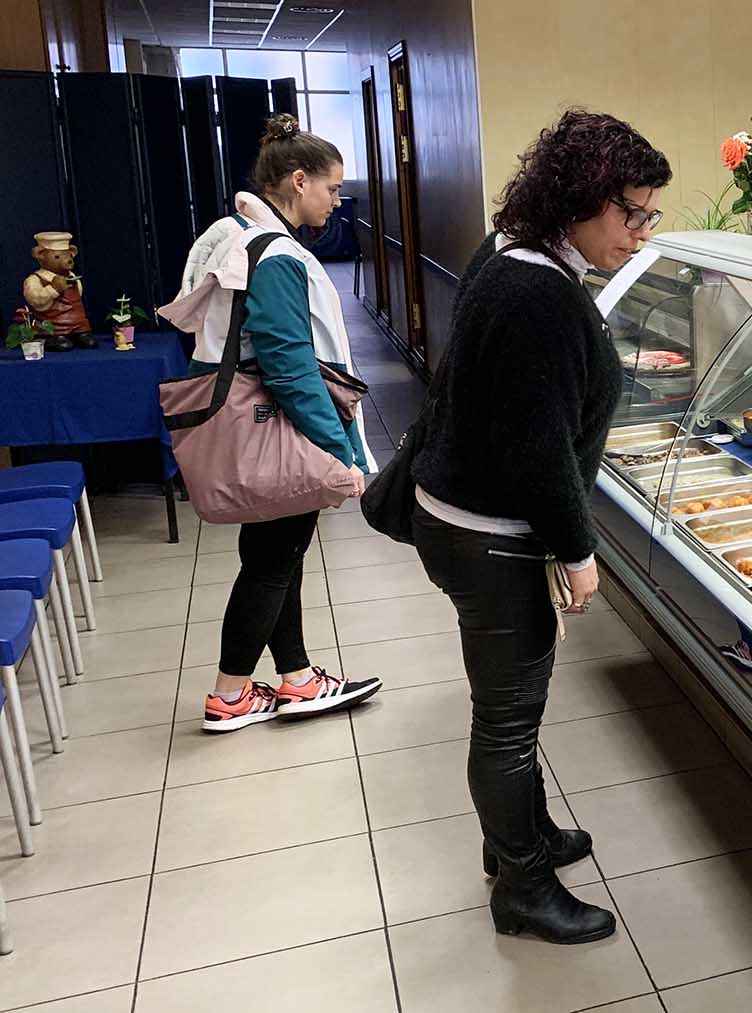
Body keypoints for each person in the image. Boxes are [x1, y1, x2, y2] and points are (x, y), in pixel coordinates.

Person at [411, 110, 669, 945]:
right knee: (508, 720)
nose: (641, 232)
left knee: (511, 709)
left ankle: (525, 834)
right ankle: (521, 883)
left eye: (650, 215)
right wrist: (576, 548)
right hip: (491, 535)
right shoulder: (539, 294)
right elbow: (537, 447)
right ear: (579, 199)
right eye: (631, 213)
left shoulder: (512, 251)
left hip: (463, 518)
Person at [163, 114, 382, 732]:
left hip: (245, 420)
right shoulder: (277, 255)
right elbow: (287, 364)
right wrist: (339, 448)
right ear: (297, 181)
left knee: (275, 555)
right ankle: (229, 694)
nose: (336, 201)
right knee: (273, 561)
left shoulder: (233, 234)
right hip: (275, 424)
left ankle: (298, 678)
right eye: (332, 188)